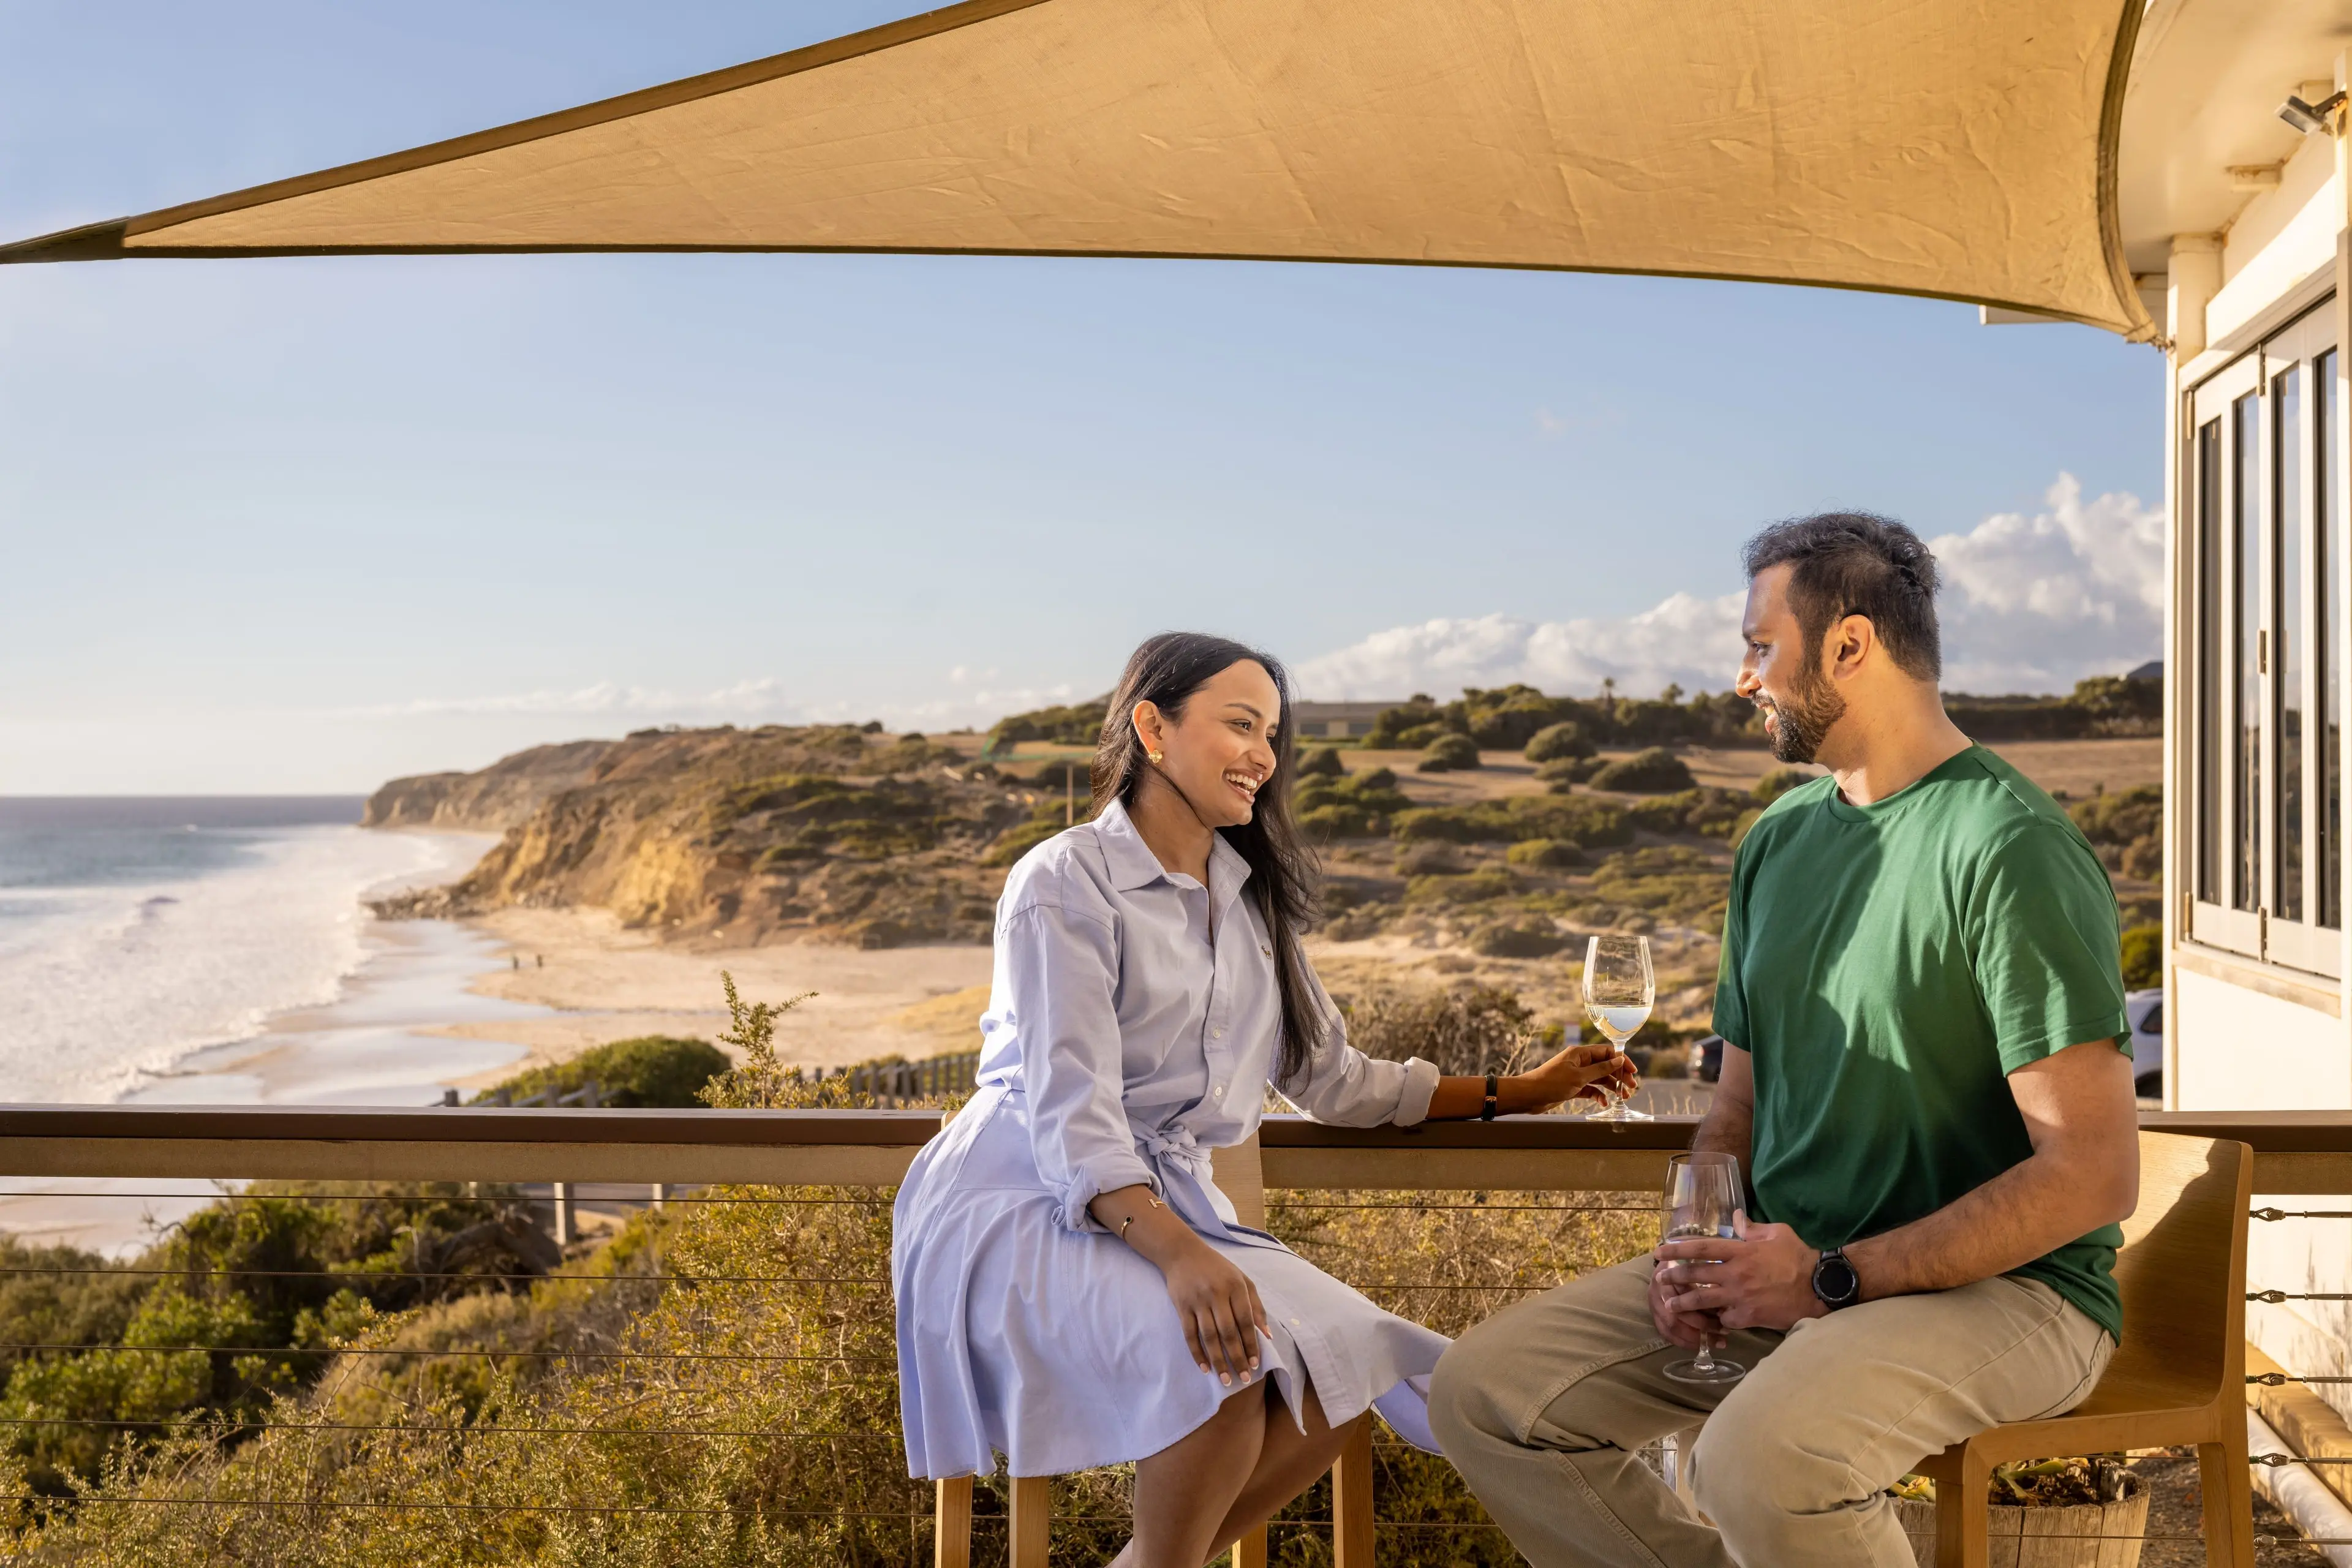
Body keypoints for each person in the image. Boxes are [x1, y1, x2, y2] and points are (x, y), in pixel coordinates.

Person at [1431, 514, 2141, 1567]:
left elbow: (2090, 1176)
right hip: (1786, 1266)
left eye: (1761, 646)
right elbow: (1735, 1111)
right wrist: (1695, 1247)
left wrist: (1831, 1279)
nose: (1741, 676)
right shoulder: (1777, 843)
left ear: (1850, 646)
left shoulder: (2009, 848)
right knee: (1486, 1397)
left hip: (2008, 1292)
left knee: (1758, 1462)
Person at [894, 631, 1637, 1568]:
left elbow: (1338, 1080)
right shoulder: (1063, 881)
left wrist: (1519, 1092)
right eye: (1239, 725)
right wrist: (1182, 1257)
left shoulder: (1249, 904)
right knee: (1226, 1364)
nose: (1263, 755)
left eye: (1273, 734)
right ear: (1152, 728)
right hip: (1027, 1199)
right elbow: (1072, 1112)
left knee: (1344, 1363)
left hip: (1163, 1201)